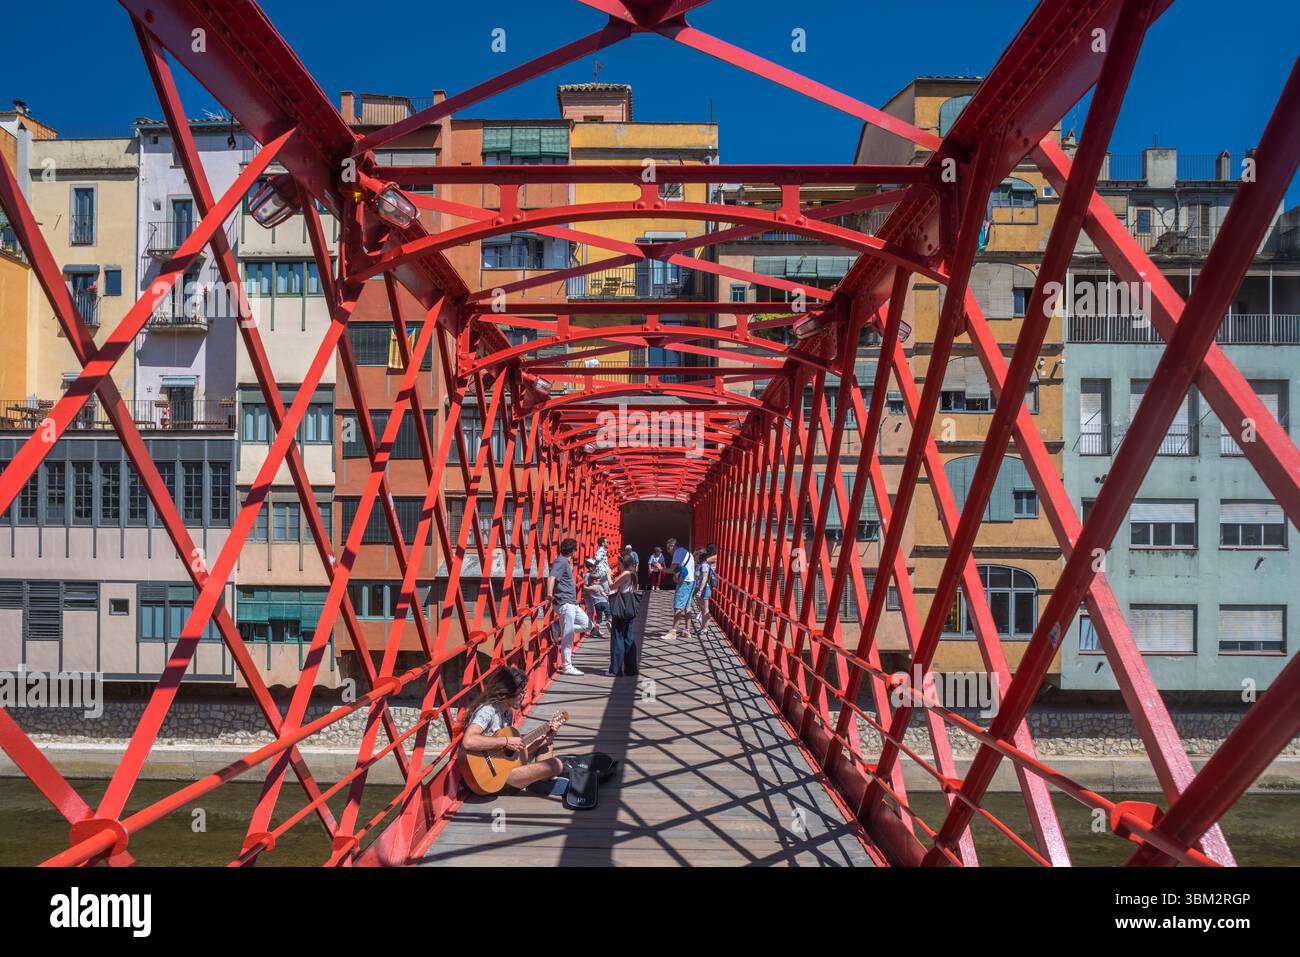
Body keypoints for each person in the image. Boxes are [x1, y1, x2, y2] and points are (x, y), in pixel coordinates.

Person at [460, 666, 564, 791]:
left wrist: (546, 737)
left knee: (548, 744)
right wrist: (506, 741)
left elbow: (514, 750)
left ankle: (538, 778)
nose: (525, 696)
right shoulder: (487, 710)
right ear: (509, 692)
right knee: (556, 764)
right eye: (523, 692)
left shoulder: (507, 711)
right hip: (493, 777)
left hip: (505, 765)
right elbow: (468, 741)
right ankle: (539, 778)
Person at [547, 537, 590, 676]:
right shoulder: (561, 561)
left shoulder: (565, 561)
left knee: (588, 625)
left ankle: (560, 627)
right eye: (575, 550)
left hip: (571, 603)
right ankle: (567, 666)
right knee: (567, 637)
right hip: (565, 603)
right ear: (572, 551)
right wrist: (549, 594)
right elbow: (552, 577)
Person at [605, 555, 640, 677]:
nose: (617, 566)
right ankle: (631, 669)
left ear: (624, 564)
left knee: (617, 637)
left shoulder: (626, 573)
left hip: (621, 609)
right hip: (629, 608)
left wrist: (608, 575)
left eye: (619, 564)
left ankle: (616, 670)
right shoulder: (633, 573)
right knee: (628, 637)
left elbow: (612, 586)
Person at [664, 536, 695, 641]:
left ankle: (673, 632)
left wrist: (660, 569)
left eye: (668, 549)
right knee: (687, 607)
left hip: (684, 583)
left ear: (672, 546)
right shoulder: (688, 552)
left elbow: (671, 570)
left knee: (678, 607)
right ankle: (687, 631)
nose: (668, 552)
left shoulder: (677, 553)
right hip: (691, 581)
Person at [691, 545, 717, 636]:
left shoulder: (704, 565)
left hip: (704, 589)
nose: (695, 557)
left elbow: (704, 578)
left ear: (700, 556)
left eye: (696, 555)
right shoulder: (701, 565)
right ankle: (703, 627)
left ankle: (705, 628)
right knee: (702, 610)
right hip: (700, 588)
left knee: (705, 610)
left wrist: (700, 590)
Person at [583, 557, 610, 634]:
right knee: (591, 612)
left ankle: (594, 629)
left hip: (592, 596)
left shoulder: (591, 574)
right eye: (595, 565)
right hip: (588, 596)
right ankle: (591, 629)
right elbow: (584, 587)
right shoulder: (588, 575)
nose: (596, 567)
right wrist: (593, 589)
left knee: (593, 612)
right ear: (591, 567)